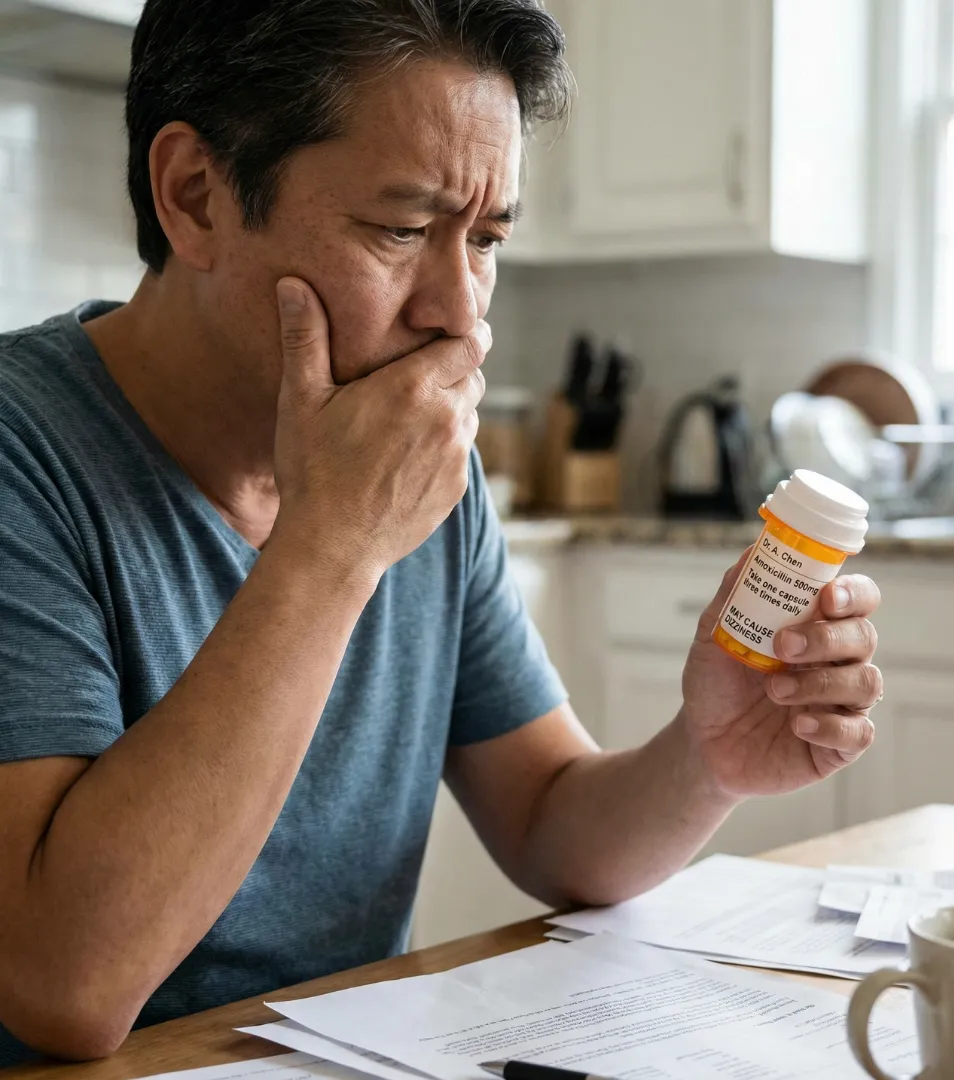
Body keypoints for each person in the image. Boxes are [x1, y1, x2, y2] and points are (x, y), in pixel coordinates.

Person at [0, 0, 883, 1066]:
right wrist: (331, 549)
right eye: (403, 229)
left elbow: (555, 824)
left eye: (490, 238)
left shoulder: (421, 469)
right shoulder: (25, 453)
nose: (462, 313)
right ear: (195, 196)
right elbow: (64, 991)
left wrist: (709, 757)